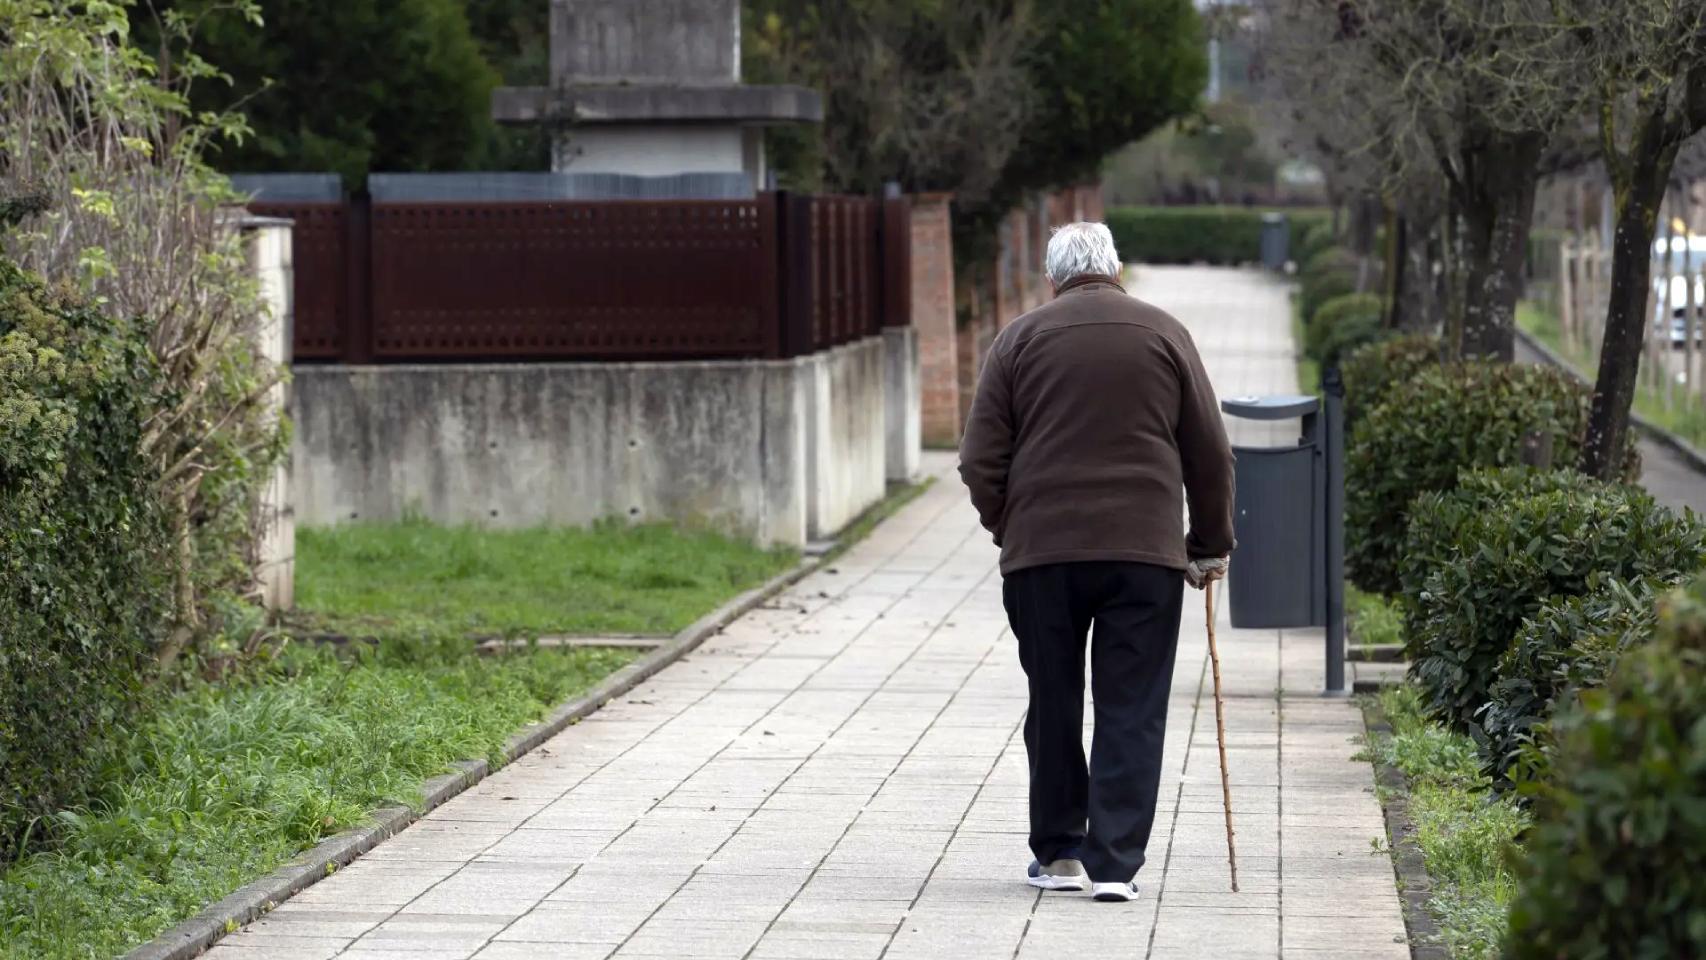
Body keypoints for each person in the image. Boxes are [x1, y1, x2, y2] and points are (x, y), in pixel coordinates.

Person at [957, 222, 1235, 903]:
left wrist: (1009, 526)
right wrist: (1208, 544)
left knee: (1052, 702)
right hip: (1144, 554)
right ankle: (1114, 865)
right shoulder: (1165, 334)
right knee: (1131, 705)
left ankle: (1058, 855)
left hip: (1042, 556)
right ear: (1116, 267)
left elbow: (978, 460)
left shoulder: (1020, 339)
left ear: (1052, 278)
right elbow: (1210, 453)